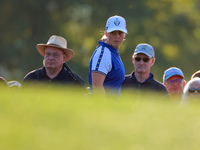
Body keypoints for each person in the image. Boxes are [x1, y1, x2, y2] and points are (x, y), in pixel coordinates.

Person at [88, 15, 127, 97]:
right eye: (113, 33)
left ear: (124, 35)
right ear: (106, 33)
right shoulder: (104, 53)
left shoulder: (113, 52)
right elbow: (97, 86)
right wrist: (105, 109)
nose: (117, 36)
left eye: (120, 33)